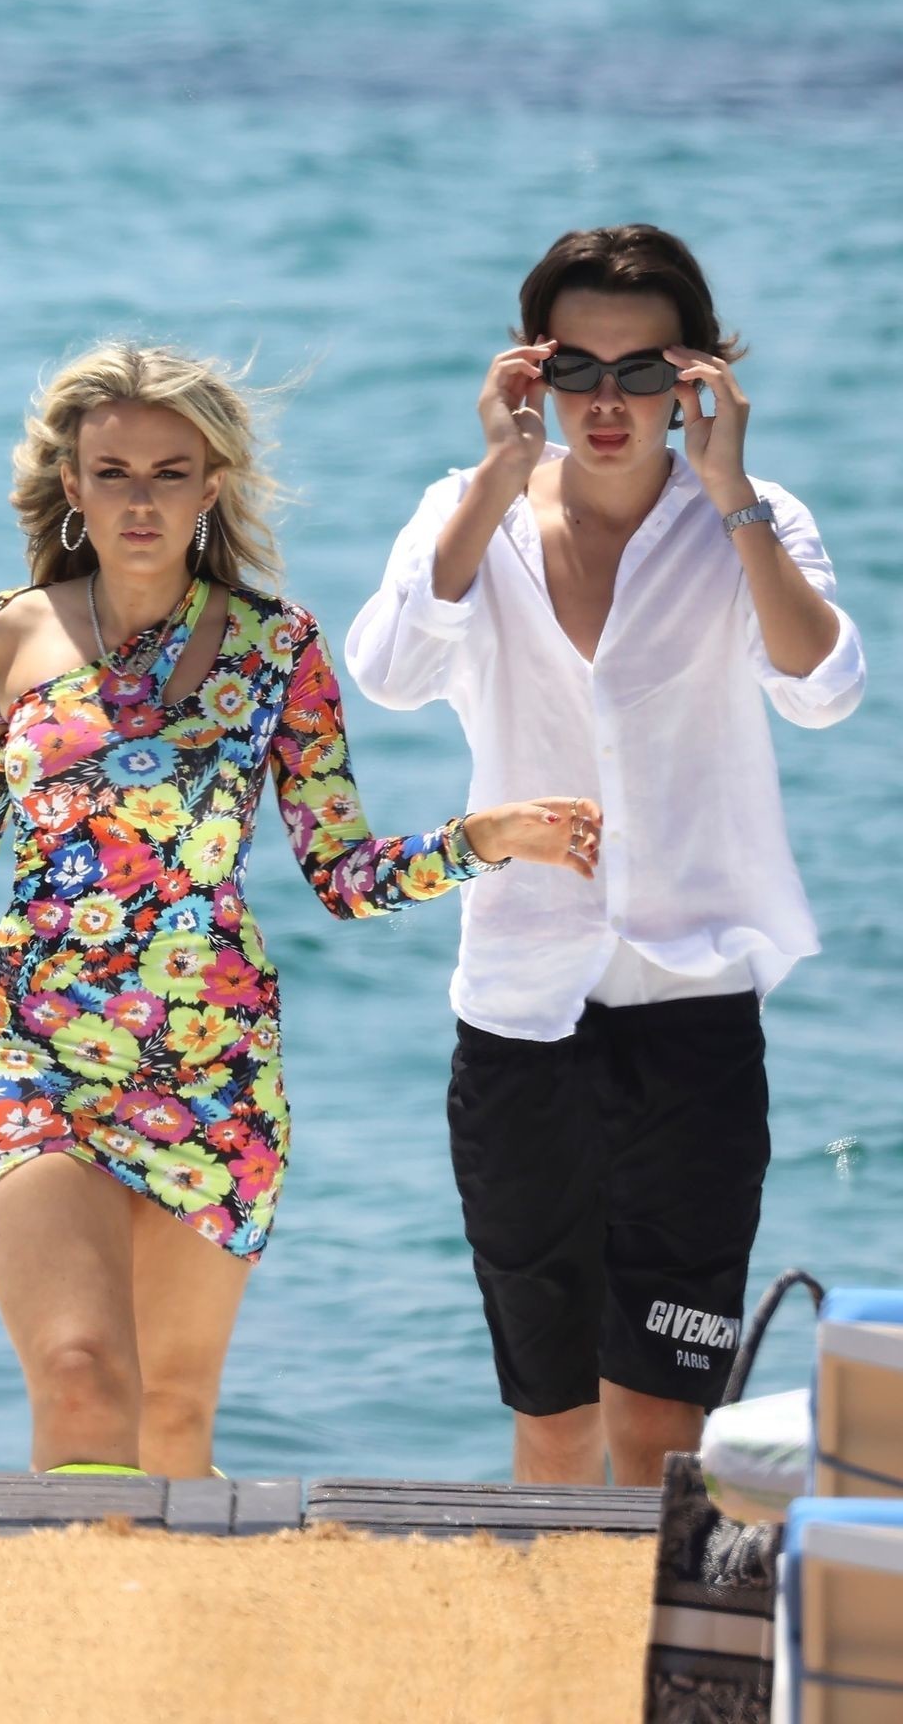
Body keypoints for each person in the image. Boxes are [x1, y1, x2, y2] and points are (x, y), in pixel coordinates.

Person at [0, 341, 601, 1481]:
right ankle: (75, 1600)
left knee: (172, 1420)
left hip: (213, 1070)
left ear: (211, 486)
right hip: (37, 1054)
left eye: (169, 473)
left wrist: (480, 841)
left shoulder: (279, 649)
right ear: (72, 486)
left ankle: (151, 1599)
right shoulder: (6, 637)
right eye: (114, 473)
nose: (140, 500)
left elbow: (341, 874)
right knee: (81, 1373)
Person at [344, 225, 866, 1488]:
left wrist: (731, 493)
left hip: (694, 1015)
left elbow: (822, 688)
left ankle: (645, 1619)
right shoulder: (465, 514)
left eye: (642, 373)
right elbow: (388, 672)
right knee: (552, 1417)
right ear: (532, 373)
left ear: (693, 378)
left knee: (660, 1423)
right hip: (519, 1016)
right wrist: (493, 473)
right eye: (576, 370)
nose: (608, 402)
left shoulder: (751, 518)